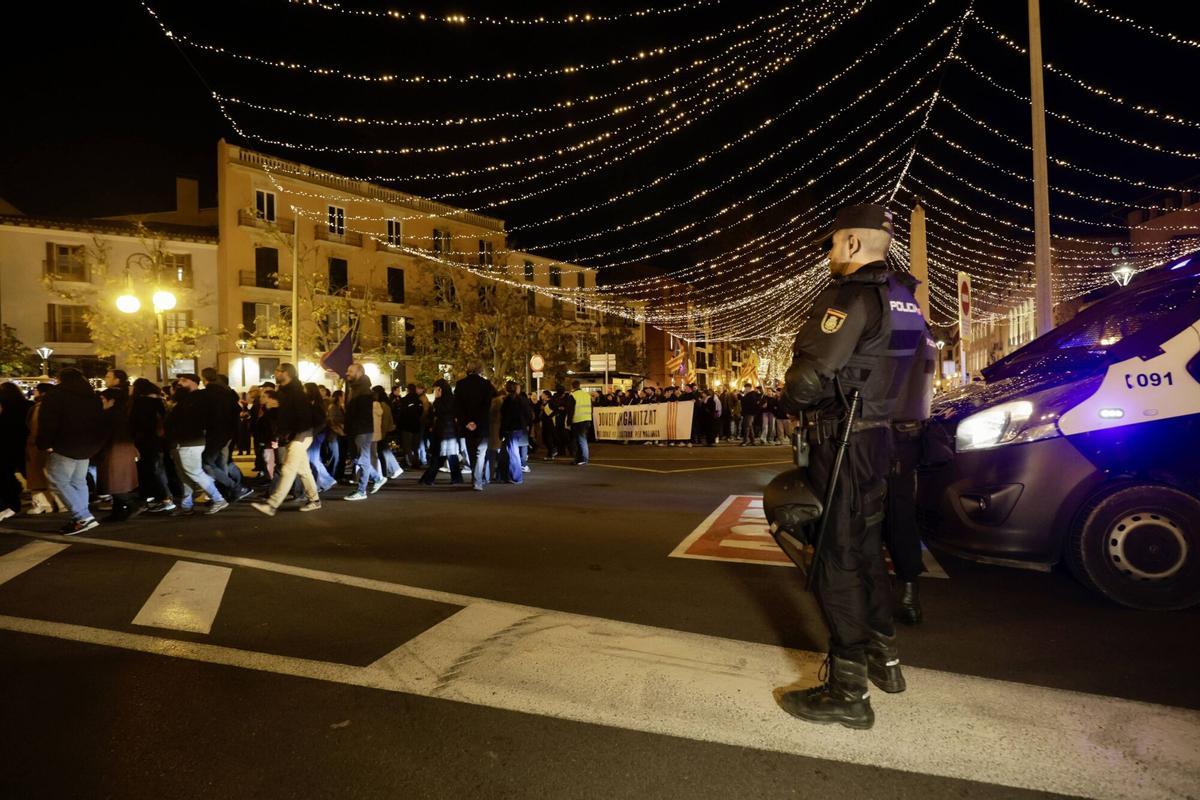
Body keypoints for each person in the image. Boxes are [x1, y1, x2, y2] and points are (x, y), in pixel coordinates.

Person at [773, 204, 927, 730]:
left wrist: (792, 393)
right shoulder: (904, 298)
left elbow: (806, 382)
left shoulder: (851, 295)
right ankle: (885, 662)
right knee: (866, 552)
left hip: (841, 442)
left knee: (834, 559)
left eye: (834, 242)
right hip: (880, 441)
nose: (830, 252)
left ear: (854, 245)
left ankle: (847, 691)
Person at [884, 310, 938, 626]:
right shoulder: (921, 324)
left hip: (883, 431)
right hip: (911, 431)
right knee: (901, 512)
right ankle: (908, 590)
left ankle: (891, 591)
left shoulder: (892, 319)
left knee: (872, 512)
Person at [37, 368, 105, 534]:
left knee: (57, 480)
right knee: (78, 481)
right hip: (87, 446)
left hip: (64, 444)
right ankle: (80, 517)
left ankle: (82, 516)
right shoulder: (92, 397)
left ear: (61, 379)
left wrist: (44, 443)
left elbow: (48, 422)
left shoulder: (56, 396)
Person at [253, 364, 323, 515]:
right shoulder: (284, 393)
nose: (275, 373)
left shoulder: (297, 393)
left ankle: (272, 504)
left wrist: (292, 432)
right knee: (303, 470)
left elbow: (303, 416)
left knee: (288, 468)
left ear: (287, 373)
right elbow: (284, 416)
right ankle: (315, 500)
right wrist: (273, 409)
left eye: (278, 371)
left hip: (301, 434)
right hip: (295, 435)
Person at [165, 373, 228, 516]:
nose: (180, 383)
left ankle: (218, 498)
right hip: (180, 442)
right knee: (185, 476)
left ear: (194, 383)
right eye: (179, 380)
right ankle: (187, 505)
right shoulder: (183, 400)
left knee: (194, 472)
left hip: (190, 442)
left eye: (184, 380)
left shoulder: (199, 399)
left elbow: (200, 419)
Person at [130, 378, 174, 513]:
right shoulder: (160, 402)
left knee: (150, 469)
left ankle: (162, 498)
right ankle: (163, 497)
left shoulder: (139, 403)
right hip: (159, 440)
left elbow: (134, 423)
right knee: (157, 468)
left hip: (144, 440)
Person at [97, 387, 141, 521]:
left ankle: (132, 504)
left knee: (114, 483)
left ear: (112, 401)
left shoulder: (109, 415)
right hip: (124, 450)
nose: (101, 402)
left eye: (103, 399)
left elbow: (103, 436)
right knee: (119, 483)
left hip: (114, 452)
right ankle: (118, 512)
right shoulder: (123, 414)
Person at [342, 363, 383, 501]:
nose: (347, 373)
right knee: (357, 458)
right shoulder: (355, 388)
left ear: (359, 372)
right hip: (356, 430)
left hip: (361, 430)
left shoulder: (363, 390)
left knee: (363, 459)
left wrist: (353, 427)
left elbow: (361, 413)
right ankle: (377, 478)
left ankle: (361, 491)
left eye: (350, 371)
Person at [24, 383, 65, 515]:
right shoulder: (58, 406)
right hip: (52, 447)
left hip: (37, 446)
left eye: (36, 390)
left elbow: (35, 428)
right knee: (52, 476)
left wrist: (32, 442)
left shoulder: (39, 407)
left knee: (38, 477)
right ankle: (61, 503)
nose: (34, 392)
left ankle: (43, 504)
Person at [454, 363, 496, 491]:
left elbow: (458, 406)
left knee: (471, 453)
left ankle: (475, 477)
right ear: (480, 371)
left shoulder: (460, 384)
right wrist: (477, 421)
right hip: (481, 425)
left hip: (466, 426)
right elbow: (486, 406)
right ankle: (478, 481)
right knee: (480, 454)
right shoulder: (486, 384)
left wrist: (467, 422)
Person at [419, 379, 463, 485]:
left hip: (443, 431)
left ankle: (428, 478)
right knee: (450, 455)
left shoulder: (440, 401)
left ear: (440, 389)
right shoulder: (452, 399)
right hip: (450, 430)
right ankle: (455, 478)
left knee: (440, 456)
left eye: (435, 389)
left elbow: (438, 413)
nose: (434, 392)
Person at [0, 382, 31, 521]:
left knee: (6, 475)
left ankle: (12, 503)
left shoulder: (6, 410)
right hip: (26, 445)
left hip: (8, 447)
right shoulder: (28, 405)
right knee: (30, 473)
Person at [564, 379, 592, 465]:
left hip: (578, 420)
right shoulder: (587, 395)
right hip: (587, 419)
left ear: (572, 386)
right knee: (581, 440)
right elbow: (591, 407)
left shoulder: (573, 395)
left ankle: (584, 459)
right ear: (579, 385)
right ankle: (579, 459)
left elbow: (570, 411)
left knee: (581, 440)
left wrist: (568, 423)